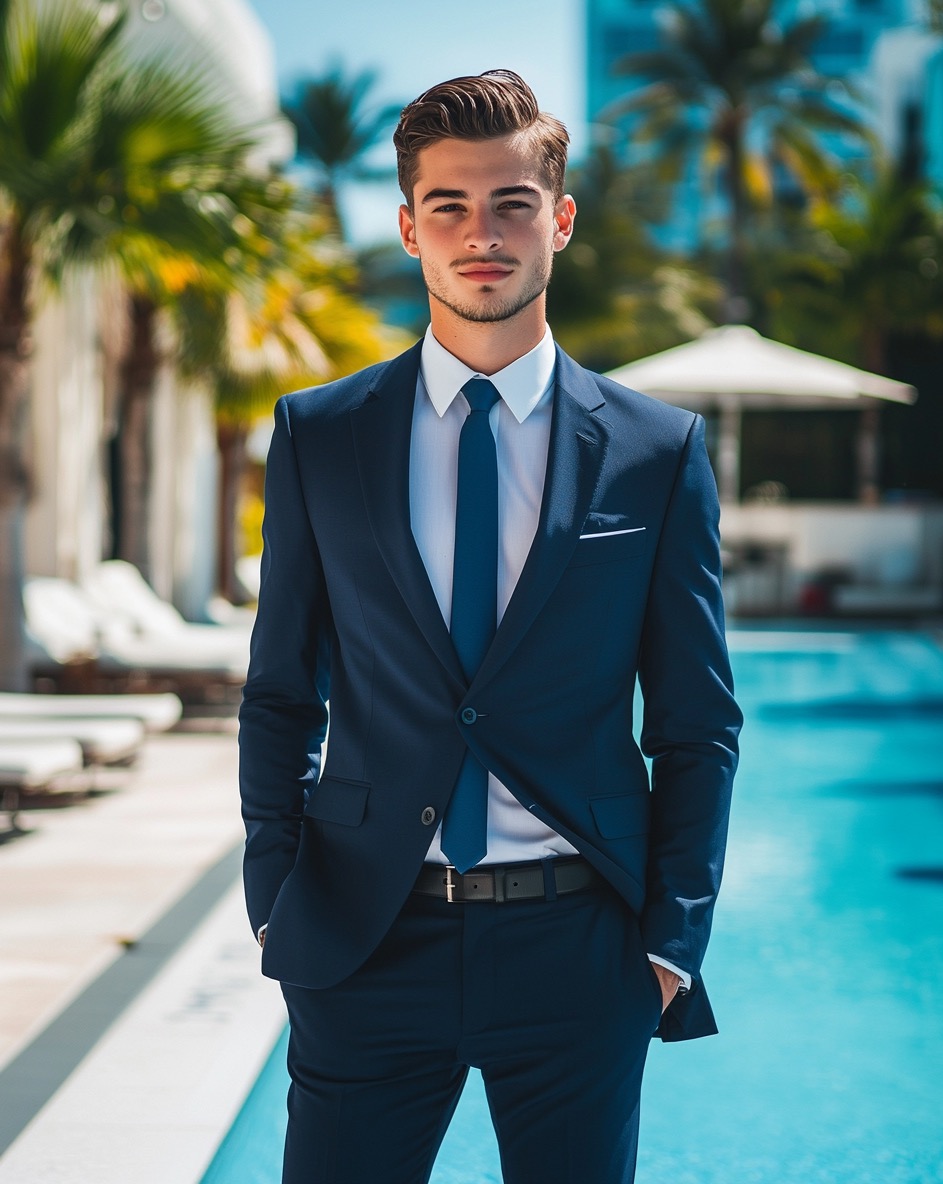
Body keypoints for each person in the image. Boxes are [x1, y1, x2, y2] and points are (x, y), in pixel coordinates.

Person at [239, 68, 742, 1184]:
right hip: (365, 938)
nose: (483, 234)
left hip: (582, 948)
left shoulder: (660, 451)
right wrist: (276, 901)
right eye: (451, 207)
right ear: (409, 226)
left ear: (558, 221)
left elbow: (699, 720)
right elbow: (281, 688)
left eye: (513, 203)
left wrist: (669, 942)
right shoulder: (322, 435)